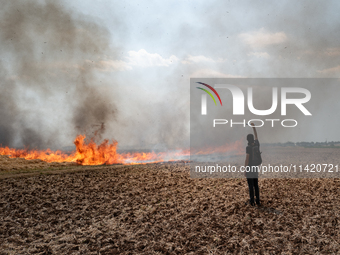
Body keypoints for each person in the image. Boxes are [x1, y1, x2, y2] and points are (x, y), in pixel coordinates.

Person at [244, 123, 261, 206]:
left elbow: (247, 159)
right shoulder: (257, 144)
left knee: (251, 186)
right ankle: (258, 200)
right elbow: (256, 136)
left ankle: (252, 202)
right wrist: (254, 127)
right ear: (253, 139)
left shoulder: (248, 148)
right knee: (256, 185)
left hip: (250, 168)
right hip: (255, 168)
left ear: (247, 140)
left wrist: (245, 169)